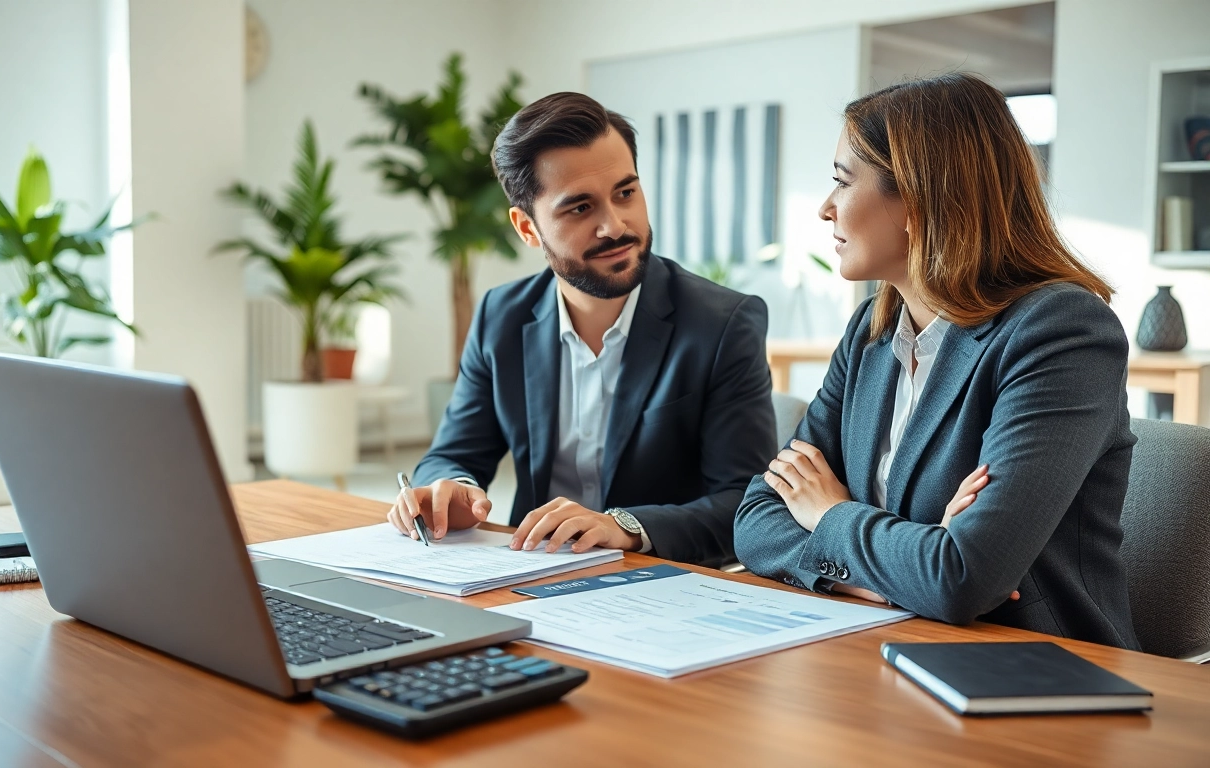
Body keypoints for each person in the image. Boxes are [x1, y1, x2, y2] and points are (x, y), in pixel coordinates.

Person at [733, 73, 1139, 649]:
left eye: (842, 184)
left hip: (1033, 671)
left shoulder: (1061, 332)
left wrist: (830, 514)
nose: (825, 209)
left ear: (918, 197)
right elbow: (756, 519)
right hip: (879, 646)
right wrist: (887, 572)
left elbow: (962, 577)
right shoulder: (870, 330)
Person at [388, 92, 775, 568]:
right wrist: (452, 489)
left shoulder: (722, 324)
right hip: (529, 570)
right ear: (528, 228)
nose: (615, 226)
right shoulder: (501, 316)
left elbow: (750, 505)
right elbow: (455, 452)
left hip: (661, 582)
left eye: (626, 193)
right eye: (580, 208)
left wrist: (626, 527)